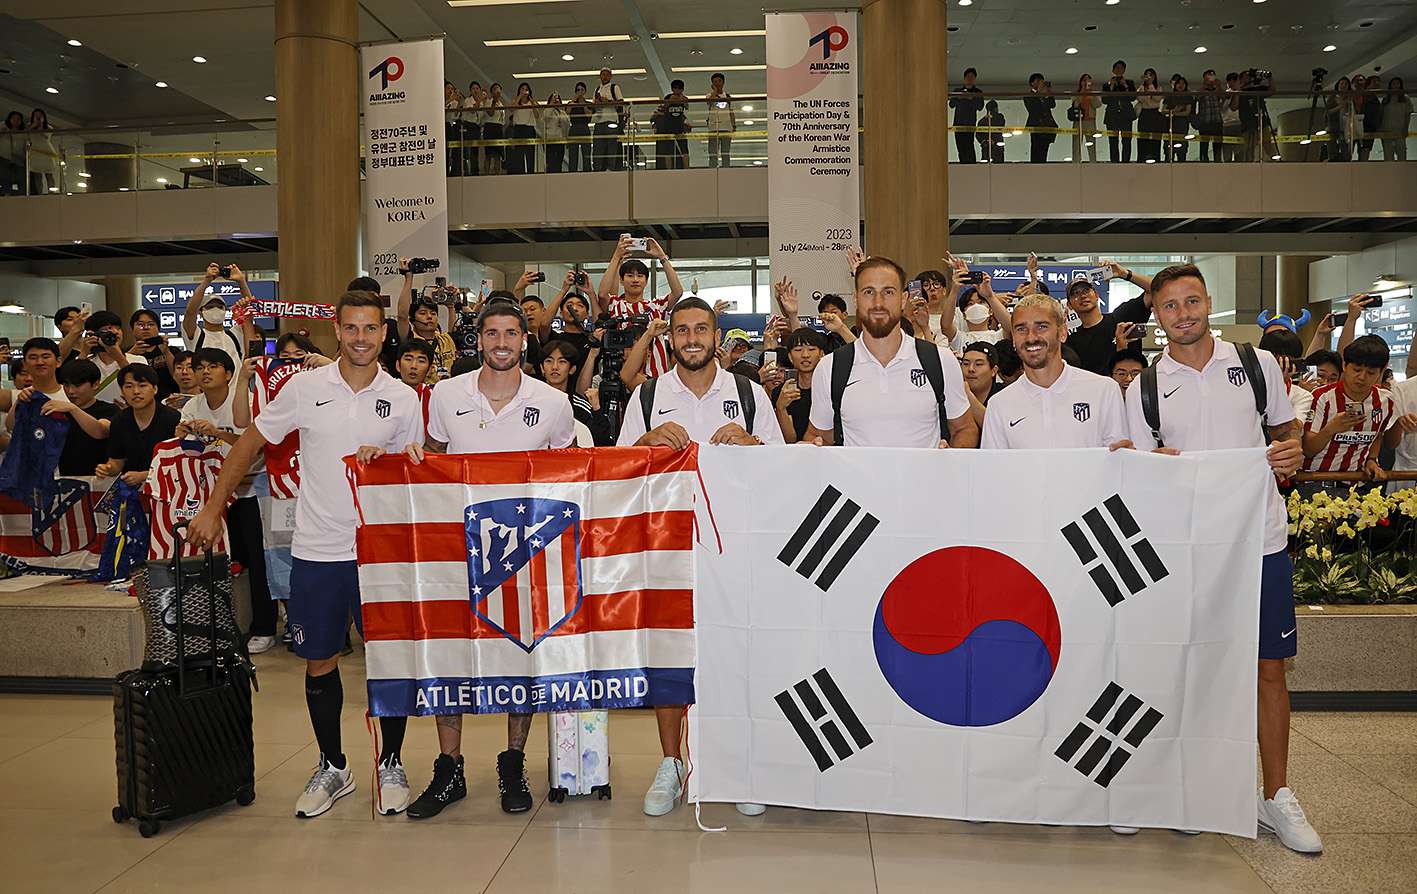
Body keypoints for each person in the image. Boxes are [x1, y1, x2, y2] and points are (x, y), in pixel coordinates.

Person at [187, 291, 422, 820]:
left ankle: (392, 762)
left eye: (371, 328)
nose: (362, 337)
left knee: (389, 661)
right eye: (352, 328)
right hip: (319, 547)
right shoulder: (305, 386)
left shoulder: (404, 398)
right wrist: (214, 506)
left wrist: (389, 460)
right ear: (337, 331)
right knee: (320, 658)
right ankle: (333, 765)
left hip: (381, 553)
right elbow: (250, 442)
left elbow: (415, 470)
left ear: (384, 333)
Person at [1121, 263, 1320, 855]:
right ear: (1156, 317)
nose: (1183, 315)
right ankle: (1176, 787)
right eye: (1170, 307)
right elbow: (1140, 471)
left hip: (1258, 539)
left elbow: (1287, 438)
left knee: (1268, 669)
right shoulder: (1144, 389)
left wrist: (1289, 456)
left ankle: (1276, 794)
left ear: (1210, 303)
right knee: (1178, 666)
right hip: (1185, 549)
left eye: (1192, 302)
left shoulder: (1258, 366)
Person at [404, 298, 574, 819]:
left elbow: (567, 471)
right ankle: (449, 766)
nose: (501, 343)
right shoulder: (447, 395)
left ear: (526, 340)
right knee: (450, 652)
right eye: (492, 333)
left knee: (518, 652)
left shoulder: (551, 402)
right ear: (479, 339)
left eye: (511, 334)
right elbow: (430, 455)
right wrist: (412, 459)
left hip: (523, 551)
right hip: (456, 545)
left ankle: (513, 760)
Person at [615, 297, 781, 817]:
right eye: (682, 330)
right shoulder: (646, 396)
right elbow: (618, 474)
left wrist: (752, 443)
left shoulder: (749, 394)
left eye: (701, 329)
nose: (691, 338)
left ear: (716, 335)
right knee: (670, 655)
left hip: (733, 544)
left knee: (734, 653)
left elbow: (782, 470)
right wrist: (644, 443)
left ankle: (735, 762)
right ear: (670, 339)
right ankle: (672, 762)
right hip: (666, 542)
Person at [803, 256, 978, 449]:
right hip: (855, 480)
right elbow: (819, 435)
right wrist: (814, 446)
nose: (878, 302)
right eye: (869, 292)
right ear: (856, 299)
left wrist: (952, 458)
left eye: (888, 292)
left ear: (903, 299)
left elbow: (965, 428)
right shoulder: (830, 367)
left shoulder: (940, 360)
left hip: (923, 479)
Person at [177, 347, 277, 652]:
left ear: (229, 374)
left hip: (249, 491)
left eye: (213, 366)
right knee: (223, 562)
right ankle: (217, 627)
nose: (205, 372)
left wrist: (219, 433)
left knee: (258, 562)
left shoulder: (246, 401)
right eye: (199, 367)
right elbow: (182, 448)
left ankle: (265, 626)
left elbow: (256, 447)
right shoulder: (192, 405)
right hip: (210, 495)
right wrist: (185, 433)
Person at [982, 294, 1129, 450]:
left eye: (1042, 326)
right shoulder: (998, 405)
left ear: (1063, 333)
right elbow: (995, 470)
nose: (1031, 337)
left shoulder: (1104, 391)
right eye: (1021, 329)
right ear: (1013, 338)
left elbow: (1116, 464)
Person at [1300, 335, 1397, 484]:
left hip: (1354, 485)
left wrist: (1371, 460)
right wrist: (1330, 429)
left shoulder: (1386, 401)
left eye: (1371, 372)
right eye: (1357, 369)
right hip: (1313, 482)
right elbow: (1307, 450)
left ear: (1382, 371)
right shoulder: (1321, 397)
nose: (1362, 377)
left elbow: (1378, 435)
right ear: (1345, 366)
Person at [598, 235, 685, 379]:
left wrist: (662, 257)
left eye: (640, 276)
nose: (635, 280)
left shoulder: (656, 307)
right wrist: (616, 256)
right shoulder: (616, 305)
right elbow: (602, 294)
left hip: (656, 376)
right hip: (624, 374)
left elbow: (678, 292)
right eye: (630, 276)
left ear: (646, 281)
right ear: (621, 280)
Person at [1064, 261, 1154, 374]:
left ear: (1097, 295)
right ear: (1069, 305)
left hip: (1134, 388)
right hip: (1097, 391)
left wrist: (1124, 273)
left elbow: (1155, 289)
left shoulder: (1122, 316)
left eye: (1086, 290)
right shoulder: (1073, 342)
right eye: (1075, 293)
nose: (1082, 295)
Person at [95, 365, 181, 486]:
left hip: (169, 487)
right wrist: (107, 469)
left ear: (155, 389)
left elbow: (180, 463)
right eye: (129, 386)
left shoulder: (173, 418)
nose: (136, 391)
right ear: (122, 392)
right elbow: (116, 462)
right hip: (131, 491)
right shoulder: (119, 421)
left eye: (142, 385)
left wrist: (144, 475)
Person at [44, 359, 116, 477]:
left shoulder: (110, 410)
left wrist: (73, 409)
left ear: (96, 384)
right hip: (66, 480)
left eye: (77, 385)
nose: (71, 391)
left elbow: (101, 431)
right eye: (66, 385)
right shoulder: (58, 412)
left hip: (101, 481)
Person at [394, 258, 458, 382]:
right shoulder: (411, 340)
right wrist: (408, 277)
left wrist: (451, 306)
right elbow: (402, 315)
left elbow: (454, 328)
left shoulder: (445, 339)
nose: (429, 317)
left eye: (433, 313)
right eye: (423, 313)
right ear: (413, 320)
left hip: (446, 393)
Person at [540, 338, 611, 445]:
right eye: (549, 361)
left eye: (562, 361)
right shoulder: (531, 402)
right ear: (542, 368)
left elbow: (602, 441)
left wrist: (597, 409)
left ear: (572, 369)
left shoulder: (580, 406)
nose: (554, 367)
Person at [183, 263, 247, 369]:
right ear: (201, 312)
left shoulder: (235, 334)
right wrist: (206, 281)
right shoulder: (196, 335)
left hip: (236, 386)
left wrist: (241, 281)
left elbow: (250, 309)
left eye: (220, 307)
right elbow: (190, 312)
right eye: (210, 307)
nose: (215, 309)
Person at [770, 327, 827, 443]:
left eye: (811, 349)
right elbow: (789, 440)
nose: (805, 355)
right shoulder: (782, 392)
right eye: (798, 350)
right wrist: (781, 408)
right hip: (794, 455)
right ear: (790, 357)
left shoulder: (831, 389)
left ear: (821, 354)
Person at [77, 310, 146, 404]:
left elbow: (141, 383)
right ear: (94, 334)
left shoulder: (138, 360)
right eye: (107, 329)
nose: (115, 332)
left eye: (118, 328)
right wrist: (84, 352)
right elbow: (74, 382)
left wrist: (118, 357)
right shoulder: (86, 361)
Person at [1257, 329, 1315, 423]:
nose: (1281, 365)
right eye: (1276, 359)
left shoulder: (1302, 395)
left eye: (1286, 361)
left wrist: (1279, 386)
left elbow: (1295, 429)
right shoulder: (1247, 387)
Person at [127, 309, 178, 399]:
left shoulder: (172, 351)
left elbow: (179, 376)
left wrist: (166, 352)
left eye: (151, 324)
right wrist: (131, 355)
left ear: (158, 329)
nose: (146, 328)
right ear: (132, 329)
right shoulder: (126, 353)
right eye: (140, 324)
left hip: (169, 400)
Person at [960, 341, 1003, 429]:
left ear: (994, 371)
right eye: (966, 364)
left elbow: (997, 430)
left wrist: (968, 395)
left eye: (978, 364)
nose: (971, 369)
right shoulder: (953, 395)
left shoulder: (1004, 396)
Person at [1101, 61, 1136, 163]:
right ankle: (1114, 162)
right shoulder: (1106, 85)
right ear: (1113, 70)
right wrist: (1111, 87)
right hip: (1112, 116)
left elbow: (1133, 97)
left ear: (1124, 70)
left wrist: (1125, 86)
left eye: (1121, 68)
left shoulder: (1129, 83)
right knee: (1113, 141)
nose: (1119, 70)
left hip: (1126, 115)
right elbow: (1104, 100)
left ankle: (1126, 162)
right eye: (1117, 68)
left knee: (1127, 140)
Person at [592, 68, 626, 172]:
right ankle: (598, 169)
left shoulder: (614, 87)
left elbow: (620, 103)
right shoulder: (597, 89)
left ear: (610, 76)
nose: (604, 77)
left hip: (611, 121)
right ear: (600, 76)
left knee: (612, 147)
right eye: (603, 75)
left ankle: (610, 168)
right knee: (598, 148)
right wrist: (598, 103)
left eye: (607, 75)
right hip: (599, 121)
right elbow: (593, 107)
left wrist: (608, 101)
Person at [653, 79, 691, 170]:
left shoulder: (684, 98)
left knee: (684, 149)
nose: (677, 90)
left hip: (680, 127)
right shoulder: (668, 97)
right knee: (668, 149)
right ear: (672, 89)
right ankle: (669, 169)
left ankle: (687, 168)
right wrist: (671, 101)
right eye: (675, 88)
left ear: (682, 89)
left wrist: (681, 99)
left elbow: (687, 106)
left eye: (679, 89)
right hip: (668, 127)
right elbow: (663, 107)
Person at [950, 68, 984, 164]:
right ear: (964, 78)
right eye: (968, 77)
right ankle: (963, 165)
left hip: (970, 124)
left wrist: (971, 98)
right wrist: (960, 97)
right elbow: (951, 104)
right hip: (958, 124)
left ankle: (971, 165)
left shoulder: (977, 92)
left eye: (972, 77)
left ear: (975, 79)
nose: (970, 79)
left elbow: (980, 106)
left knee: (969, 146)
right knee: (960, 147)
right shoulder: (957, 91)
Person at [1194, 69, 1226, 162]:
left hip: (1217, 121)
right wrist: (1205, 86)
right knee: (1204, 145)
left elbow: (1224, 97)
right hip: (1205, 122)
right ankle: (1203, 162)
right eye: (1208, 77)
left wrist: (1218, 86)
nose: (1210, 79)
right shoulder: (1201, 90)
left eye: (1212, 76)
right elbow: (1196, 97)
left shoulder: (1217, 89)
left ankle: (1218, 162)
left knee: (1217, 146)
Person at [1024, 73, 1057, 164]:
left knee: (1044, 150)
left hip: (1047, 127)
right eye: (1037, 81)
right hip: (1036, 127)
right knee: (1035, 149)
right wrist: (1039, 93)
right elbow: (1033, 109)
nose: (1040, 83)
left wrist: (1047, 94)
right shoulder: (1028, 96)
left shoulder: (1045, 94)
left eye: (1041, 81)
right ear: (1032, 83)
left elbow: (1052, 105)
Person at [507, 83, 538, 175]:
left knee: (530, 154)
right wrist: (519, 96)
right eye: (522, 89)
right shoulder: (515, 101)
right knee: (519, 154)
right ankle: (519, 173)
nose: (525, 91)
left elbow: (537, 115)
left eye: (526, 89)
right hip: (518, 129)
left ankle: (530, 172)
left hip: (529, 128)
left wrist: (532, 101)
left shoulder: (532, 102)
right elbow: (512, 110)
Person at [706, 73, 736, 168]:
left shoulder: (727, 96)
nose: (717, 83)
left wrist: (733, 124)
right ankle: (713, 169)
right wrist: (714, 91)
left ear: (723, 82)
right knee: (713, 152)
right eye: (715, 82)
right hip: (713, 127)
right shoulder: (709, 95)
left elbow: (731, 111)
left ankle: (726, 169)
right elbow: (709, 102)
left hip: (726, 127)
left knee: (725, 152)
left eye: (719, 81)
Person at [25, 108, 56, 195]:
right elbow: (25, 134)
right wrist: (33, 126)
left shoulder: (48, 127)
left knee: (49, 174)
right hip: (35, 153)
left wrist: (40, 127)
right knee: (37, 175)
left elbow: (46, 137)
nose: (38, 118)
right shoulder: (29, 126)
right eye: (36, 116)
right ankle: (39, 193)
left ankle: (52, 193)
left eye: (40, 116)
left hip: (46, 152)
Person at [1136, 68, 1164, 163]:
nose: (1149, 77)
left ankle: (1156, 159)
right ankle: (1142, 160)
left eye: (1151, 75)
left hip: (1155, 114)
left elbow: (1157, 98)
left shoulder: (1158, 88)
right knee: (1143, 139)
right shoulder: (1141, 88)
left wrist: (1151, 86)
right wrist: (1144, 87)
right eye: (1146, 75)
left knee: (1155, 139)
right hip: (1144, 114)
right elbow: (1140, 98)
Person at [1380, 77, 1411, 162]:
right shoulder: (1386, 99)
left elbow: (1407, 115)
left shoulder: (1405, 98)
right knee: (1388, 157)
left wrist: (1406, 128)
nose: (1396, 85)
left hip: (1399, 131)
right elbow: (1381, 115)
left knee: (1402, 156)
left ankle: (1402, 174)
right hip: (1386, 131)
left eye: (1398, 83)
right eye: (1393, 83)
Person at [1069, 73, 1097, 163]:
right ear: (1080, 82)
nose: (1086, 82)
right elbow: (1076, 103)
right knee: (1076, 144)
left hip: (1090, 121)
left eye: (1088, 80)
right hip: (1078, 121)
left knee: (1091, 143)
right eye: (1084, 80)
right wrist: (1082, 91)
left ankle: (1093, 162)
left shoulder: (1093, 93)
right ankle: (1076, 162)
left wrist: (1091, 94)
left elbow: (1097, 105)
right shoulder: (1076, 94)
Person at [566, 81, 594, 173]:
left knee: (586, 153)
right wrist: (574, 100)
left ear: (585, 91)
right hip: (574, 128)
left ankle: (587, 172)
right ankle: (572, 172)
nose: (580, 92)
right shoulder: (571, 103)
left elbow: (589, 115)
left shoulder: (588, 104)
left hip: (584, 128)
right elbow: (567, 112)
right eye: (578, 90)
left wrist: (583, 103)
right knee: (573, 154)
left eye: (582, 90)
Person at [1164, 75, 1193, 162]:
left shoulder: (1188, 97)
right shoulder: (1170, 96)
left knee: (1182, 154)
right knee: (1168, 154)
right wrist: (1174, 110)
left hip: (1182, 127)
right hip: (1170, 127)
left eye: (1183, 83)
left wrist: (1173, 113)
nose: (1181, 85)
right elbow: (1163, 110)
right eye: (1179, 83)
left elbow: (1187, 112)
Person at [542, 90, 569, 174]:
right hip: (550, 140)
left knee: (559, 161)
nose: (556, 101)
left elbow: (567, 125)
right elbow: (545, 118)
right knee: (551, 161)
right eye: (554, 99)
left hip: (560, 140)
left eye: (558, 100)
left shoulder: (563, 113)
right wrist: (552, 105)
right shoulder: (547, 110)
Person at [482, 83, 506, 175]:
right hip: (490, 127)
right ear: (492, 92)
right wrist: (493, 102)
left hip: (499, 128)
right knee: (488, 154)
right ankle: (486, 173)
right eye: (495, 89)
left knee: (498, 154)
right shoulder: (489, 101)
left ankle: (497, 174)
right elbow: (490, 113)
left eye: (499, 89)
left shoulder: (501, 104)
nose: (498, 91)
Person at [460, 81, 484, 177]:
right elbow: (473, 110)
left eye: (477, 88)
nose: (475, 90)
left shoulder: (481, 102)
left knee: (475, 151)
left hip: (476, 127)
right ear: (470, 90)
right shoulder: (467, 101)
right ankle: (467, 172)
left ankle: (475, 171)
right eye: (473, 88)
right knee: (467, 151)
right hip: (468, 126)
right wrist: (479, 100)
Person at [1358, 75, 1383, 162]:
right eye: (1375, 82)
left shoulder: (1374, 99)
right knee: (1363, 148)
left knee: (1366, 149)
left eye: (1378, 82)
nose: (1377, 84)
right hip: (1362, 125)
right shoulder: (1364, 96)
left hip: (1371, 127)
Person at [444, 81, 464, 176]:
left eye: (452, 89)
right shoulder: (440, 99)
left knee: (450, 149)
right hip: (442, 125)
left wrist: (458, 101)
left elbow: (455, 115)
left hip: (450, 126)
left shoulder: (454, 102)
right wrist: (450, 99)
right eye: (448, 88)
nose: (450, 90)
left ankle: (450, 171)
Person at [978, 99, 1007, 163]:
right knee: (999, 167)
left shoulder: (982, 121)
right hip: (996, 147)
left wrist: (984, 141)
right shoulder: (999, 118)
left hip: (988, 147)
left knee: (986, 167)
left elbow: (978, 135)